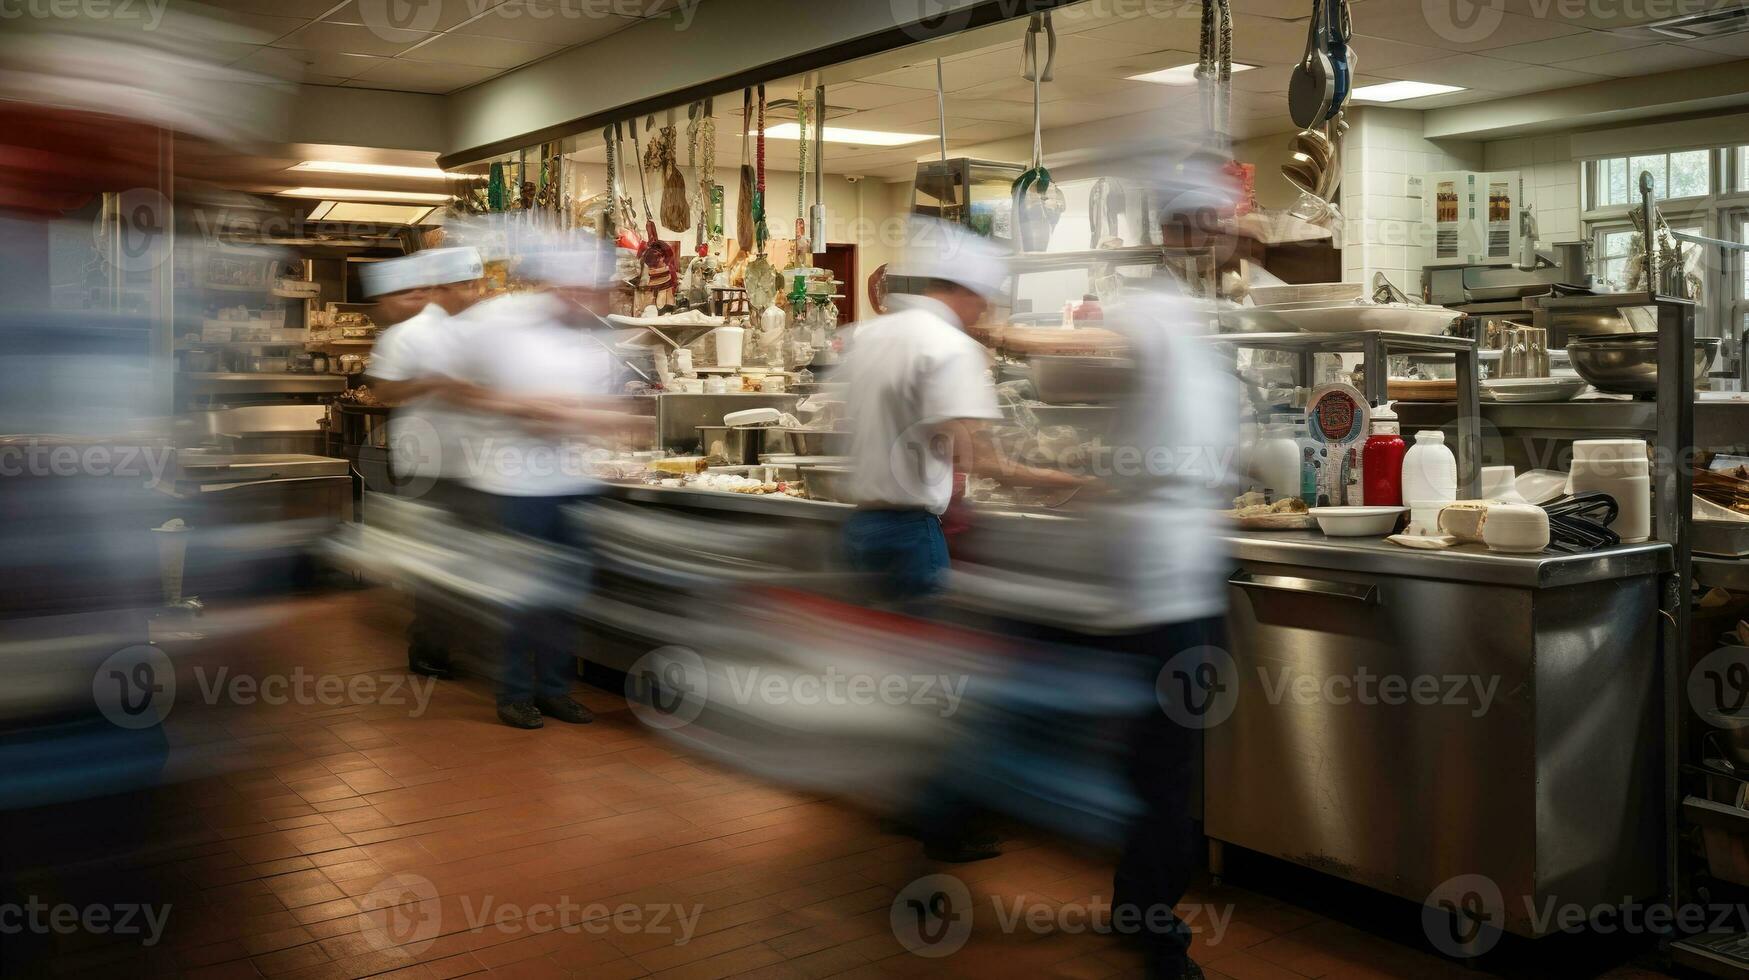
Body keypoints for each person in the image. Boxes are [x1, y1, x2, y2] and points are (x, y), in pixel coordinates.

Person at [438, 236, 653, 730]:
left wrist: (611, 419)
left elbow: (599, 405)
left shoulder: (588, 334)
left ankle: (556, 690)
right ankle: (514, 694)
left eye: (598, 291)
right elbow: (451, 386)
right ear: (558, 285)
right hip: (511, 484)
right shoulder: (498, 319)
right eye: (583, 291)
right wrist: (519, 407)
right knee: (521, 596)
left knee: (565, 594)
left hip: (573, 482)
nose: (593, 301)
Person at [840, 217, 1083, 605]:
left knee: (876, 651)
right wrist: (1071, 481)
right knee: (924, 654)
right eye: (985, 299)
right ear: (970, 293)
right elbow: (980, 459)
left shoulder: (871, 335)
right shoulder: (948, 346)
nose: (985, 312)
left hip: (860, 528)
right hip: (909, 536)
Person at [361, 247, 489, 679]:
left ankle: (467, 641)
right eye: (464, 286)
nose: (473, 294)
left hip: (475, 462)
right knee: (435, 562)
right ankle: (429, 650)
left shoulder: (478, 332)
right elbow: (384, 392)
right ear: (438, 288)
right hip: (426, 464)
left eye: (477, 284)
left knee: (470, 557)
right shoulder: (406, 335)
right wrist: (433, 383)